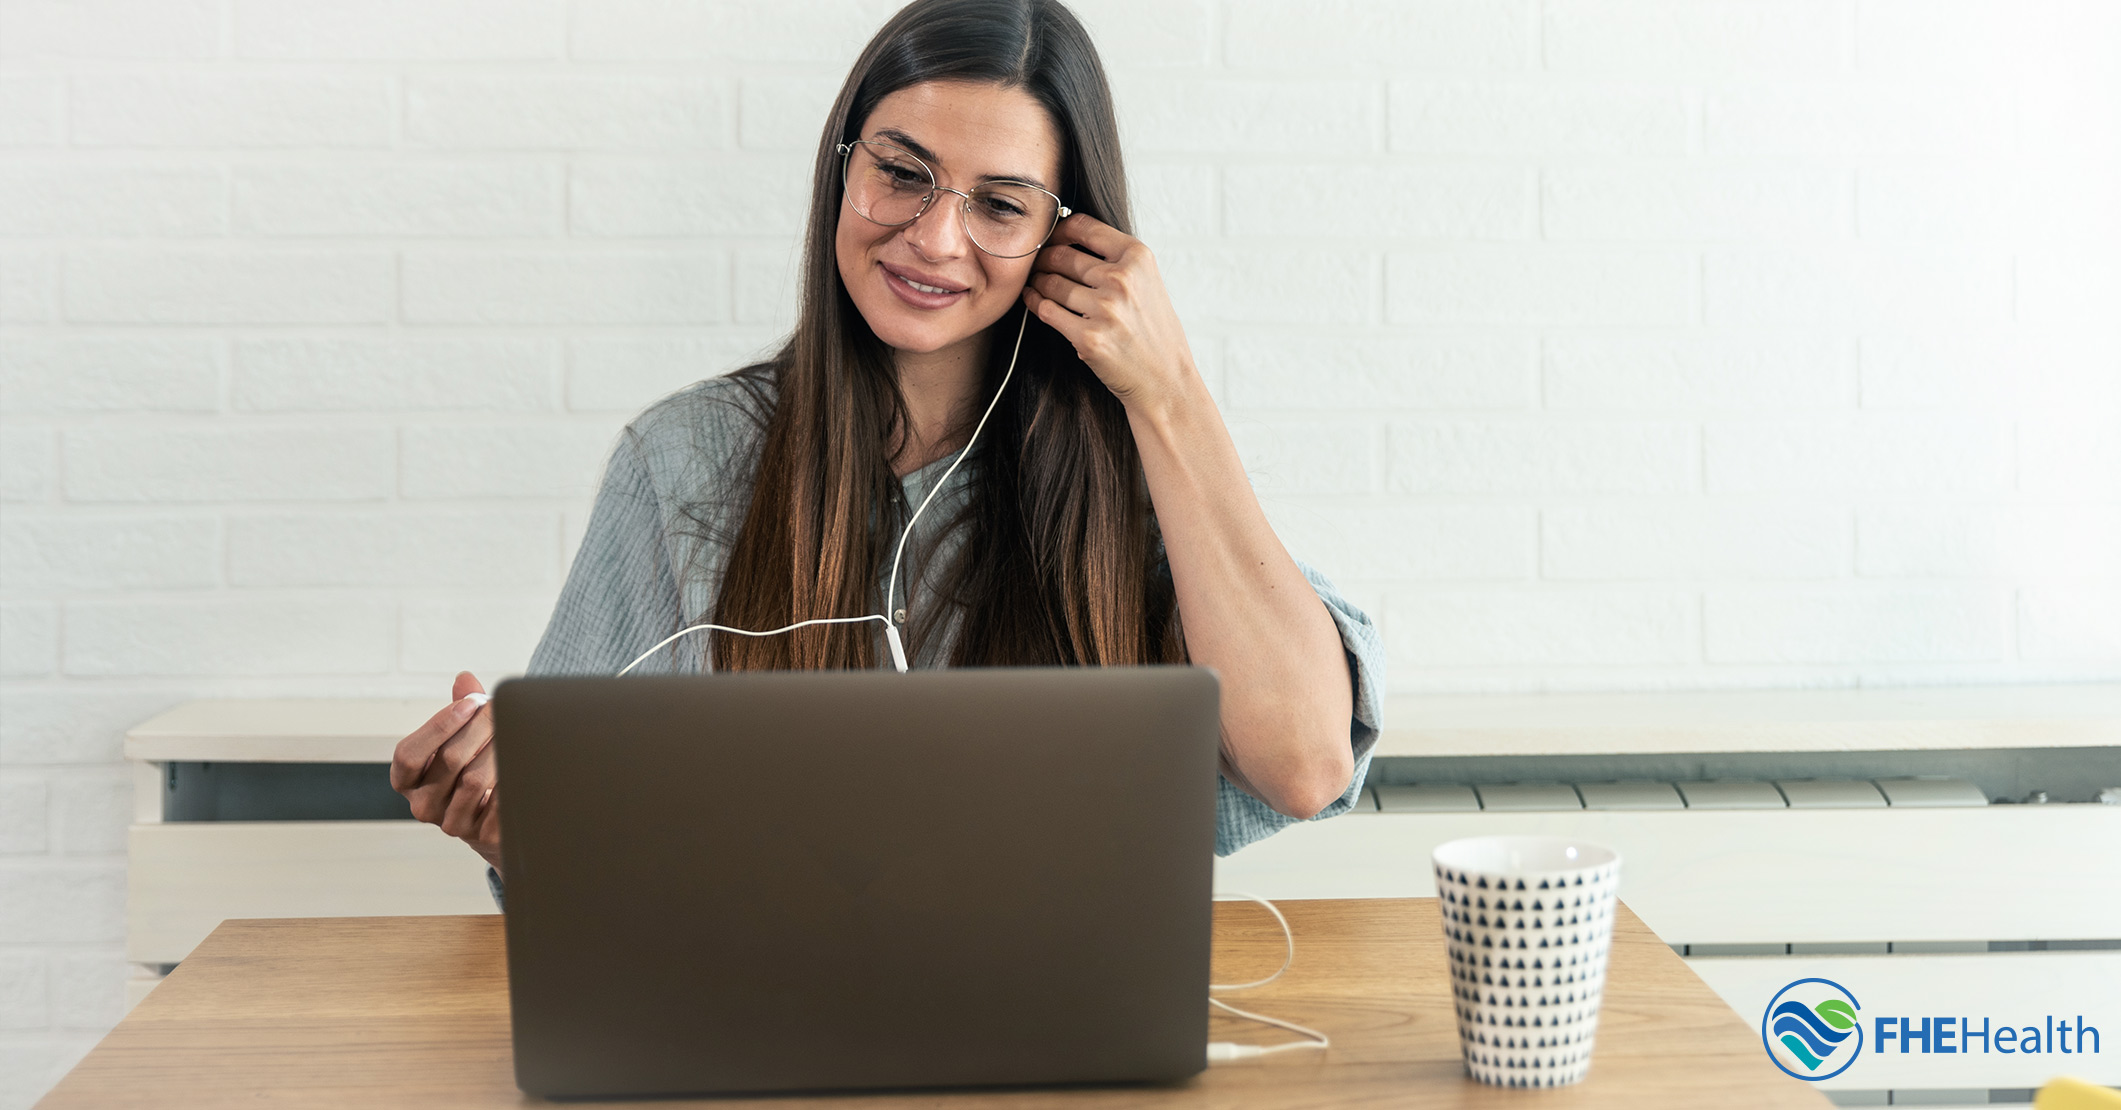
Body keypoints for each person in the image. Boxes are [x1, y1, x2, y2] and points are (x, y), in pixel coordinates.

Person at [389, 0, 1384, 904]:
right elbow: (597, 865)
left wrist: (1168, 391)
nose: (935, 239)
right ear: (843, 169)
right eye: (903, 174)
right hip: (761, 1035)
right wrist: (514, 828)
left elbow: (1303, 764)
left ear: (1066, 239)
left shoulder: (1140, 472)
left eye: (1000, 205)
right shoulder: (685, 457)